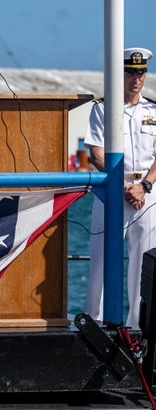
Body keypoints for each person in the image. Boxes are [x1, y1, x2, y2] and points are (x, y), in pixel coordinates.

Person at [84, 47, 156, 328]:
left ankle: (140, 327)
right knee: (102, 261)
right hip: (113, 192)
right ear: (119, 74)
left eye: (140, 72)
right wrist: (126, 186)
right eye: (129, 72)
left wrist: (145, 185)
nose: (135, 78)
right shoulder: (103, 108)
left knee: (144, 264)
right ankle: (96, 325)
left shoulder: (154, 110)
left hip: (146, 194)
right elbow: (96, 153)